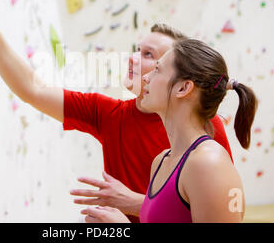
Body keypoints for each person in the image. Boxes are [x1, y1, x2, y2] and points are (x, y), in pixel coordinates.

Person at [0, 0, 234, 222]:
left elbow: (221, 209)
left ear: (183, 86)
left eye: (151, 58)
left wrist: (132, 204)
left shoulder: (207, 138)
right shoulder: (120, 123)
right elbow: (32, 88)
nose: (134, 60)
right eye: (136, 49)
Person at [80, 39, 257, 223]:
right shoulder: (161, 162)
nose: (146, 77)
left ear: (183, 88)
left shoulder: (208, 163)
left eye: (157, 69)